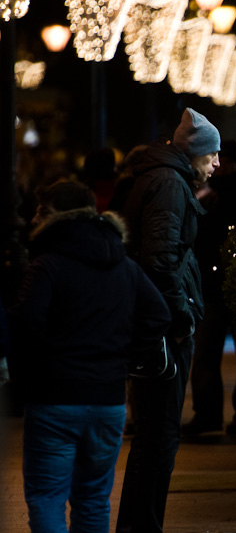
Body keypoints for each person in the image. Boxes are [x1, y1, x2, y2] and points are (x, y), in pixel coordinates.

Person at [8, 181, 171, 533]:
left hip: (55, 398)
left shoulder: (47, 265)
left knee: (47, 495)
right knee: (94, 498)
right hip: (109, 398)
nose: (35, 217)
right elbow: (159, 314)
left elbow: (26, 323)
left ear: (57, 216)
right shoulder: (123, 263)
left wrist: (35, 367)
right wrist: (126, 357)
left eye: (42, 210)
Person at [115, 107, 221, 533]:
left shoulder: (162, 178)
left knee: (154, 439)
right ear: (194, 153)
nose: (216, 163)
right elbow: (160, 259)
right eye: (211, 155)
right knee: (158, 440)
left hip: (157, 323)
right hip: (162, 330)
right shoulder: (169, 184)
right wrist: (181, 317)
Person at [184, 139, 236, 437]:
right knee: (211, 353)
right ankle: (219, 416)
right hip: (217, 285)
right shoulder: (211, 197)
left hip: (229, 284)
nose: (221, 166)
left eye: (226, 160)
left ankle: (234, 416)